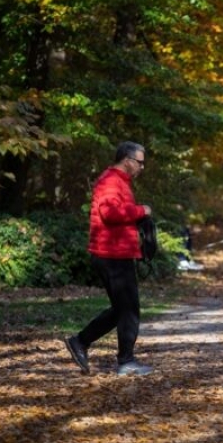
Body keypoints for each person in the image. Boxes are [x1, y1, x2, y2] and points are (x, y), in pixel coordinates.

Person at [64, 141, 154, 376]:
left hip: (117, 253)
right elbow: (110, 213)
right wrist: (141, 211)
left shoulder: (120, 182)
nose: (142, 167)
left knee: (121, 309)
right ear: (127, 160)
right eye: (140, 162)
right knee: (129, 310)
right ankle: (126, 361)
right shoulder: (111, 181)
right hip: (111, 255)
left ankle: (80, 342)